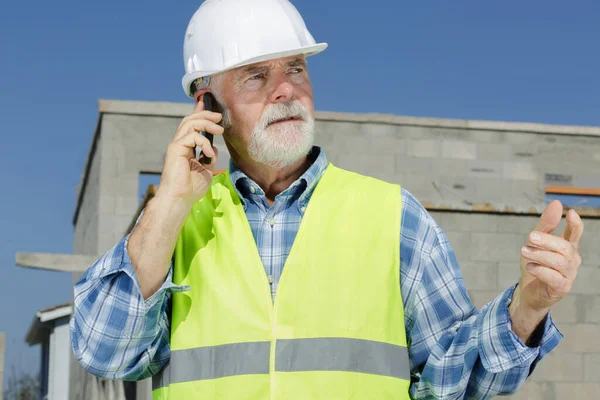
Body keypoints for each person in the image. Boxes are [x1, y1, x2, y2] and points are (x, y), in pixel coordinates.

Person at [70, 0, 584, 398]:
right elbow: (104, 353)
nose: (285, 90)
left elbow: (451, 384)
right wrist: (168, 207)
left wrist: (525, 309)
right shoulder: (172, 228)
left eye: (295, 69)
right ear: (208, 103)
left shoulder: (393, 217)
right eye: (256, 76)